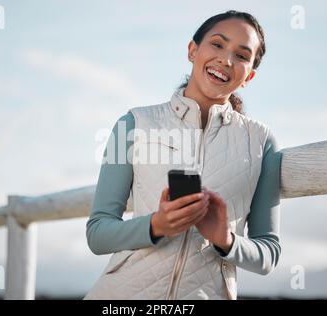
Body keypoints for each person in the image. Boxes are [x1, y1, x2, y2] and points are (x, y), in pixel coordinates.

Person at [84, 10, 282, 300]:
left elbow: (269, 254)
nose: (226, 60)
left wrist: (225, 239)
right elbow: (98, 233)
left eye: (241, 55)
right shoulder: (133, 124)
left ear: (249, 76)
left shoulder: (262, 142)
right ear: (192, 50)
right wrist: (156, 225)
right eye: (217, 44)